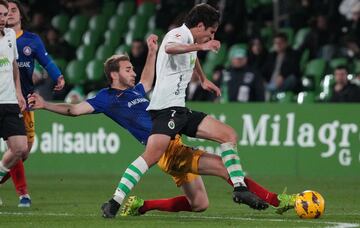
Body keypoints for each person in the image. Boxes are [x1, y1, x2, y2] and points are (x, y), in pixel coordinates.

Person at [28, 34, 296, 218]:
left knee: (200, 204)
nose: (132, 72)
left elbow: (146, 77)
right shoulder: (105, 99)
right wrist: (44, 104)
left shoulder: (136, 92)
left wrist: (153, 52)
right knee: (226, 168)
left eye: (132, 67)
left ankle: (141, 206)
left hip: (173, 144)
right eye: (127, 68)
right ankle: (278, 201)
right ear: (113, 75)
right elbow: (74, 110)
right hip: (166, 149)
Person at [102, 3, 268, 218]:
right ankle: (114, 202)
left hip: (180, 110)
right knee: (150, 157)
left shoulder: (190, 42)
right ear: (199, 25)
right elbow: (170, 48)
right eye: (211, 31)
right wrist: (202, 47)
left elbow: (191, 57)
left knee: (228, 134)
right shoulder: (177, 34)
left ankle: (240, 189)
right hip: (164, 110)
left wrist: (203, 78)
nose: (211, 36)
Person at [0, 0, 66, 207]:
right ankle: (23, 194)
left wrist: (58, 76)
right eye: (4, 11)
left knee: (23, 151)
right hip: (6, 99)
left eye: (13, 10)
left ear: (21, 15)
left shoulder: (29, 39)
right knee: (16, 149)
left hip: (23, 100)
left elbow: (46, 61)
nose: (8, 14)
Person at [0, 0, 28, 205]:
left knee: (20, 148)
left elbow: (14, 65)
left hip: (9, 100)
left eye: (4, 14)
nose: (3, 18)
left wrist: (19, 92)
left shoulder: (10, 36)